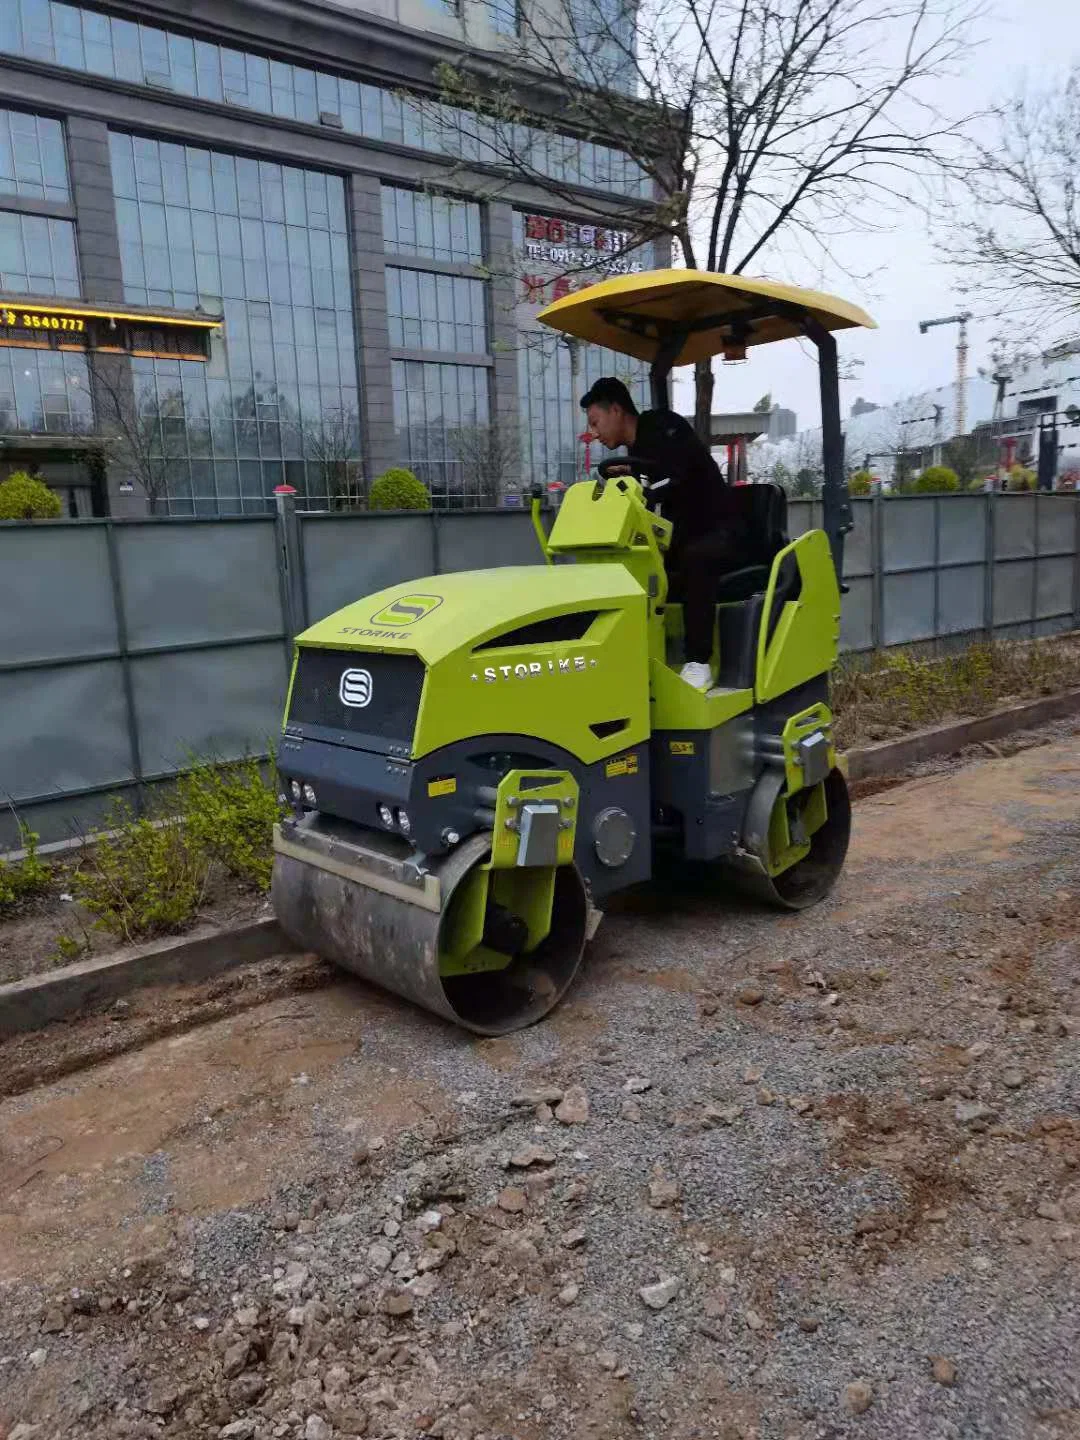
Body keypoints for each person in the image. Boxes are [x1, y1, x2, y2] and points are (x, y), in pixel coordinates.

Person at [580, 377, 743, 691]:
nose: (594, 433)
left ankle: (698, 662)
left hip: (719, 530)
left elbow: (678, 477)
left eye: (595, 422)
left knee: (696, 558)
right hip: (682, 536)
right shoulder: (637, 451)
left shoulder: (664, 426)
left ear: (615, 410)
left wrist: (640, 478)